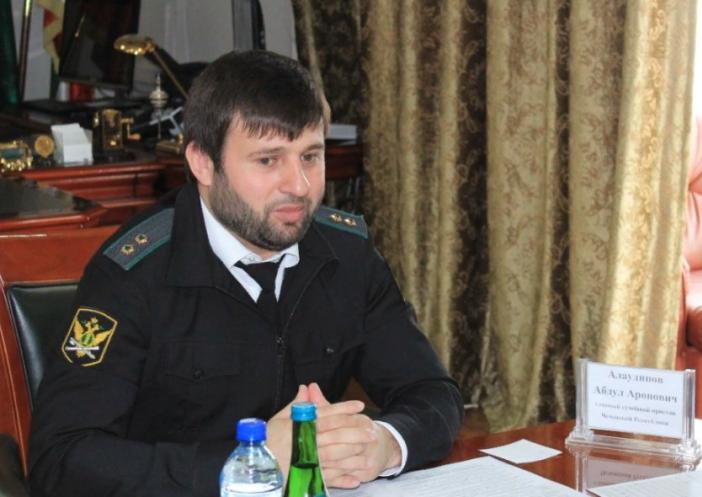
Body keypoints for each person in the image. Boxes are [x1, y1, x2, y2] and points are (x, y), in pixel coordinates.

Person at [27, 50, 463, 497]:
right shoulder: (132, 276)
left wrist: (386, 444)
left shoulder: (347, 254)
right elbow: (61, 459)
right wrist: (252, 460)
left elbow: (433, 392)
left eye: (310, 156)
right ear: (203, 163)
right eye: (268, 160)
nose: (299, 185)